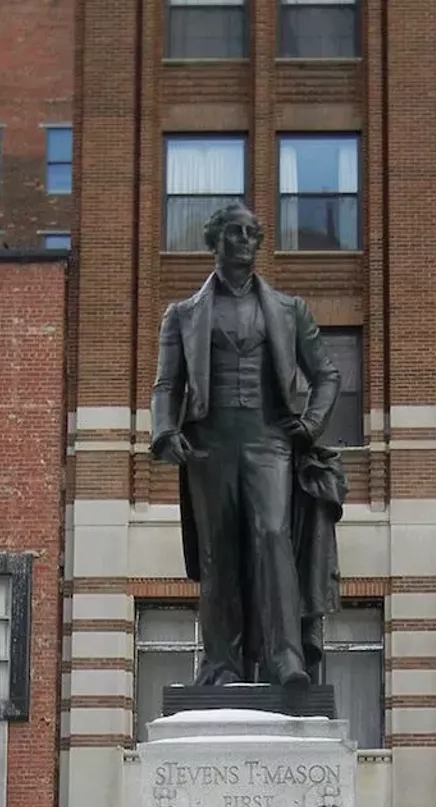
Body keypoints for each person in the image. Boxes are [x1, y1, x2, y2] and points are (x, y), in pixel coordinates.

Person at [150, 201, 342, 689]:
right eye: (234, 233)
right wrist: (165, 432)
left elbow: (326, 375)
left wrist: (312, 423)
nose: (245, 240)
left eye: (252, 232)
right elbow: (166, 385)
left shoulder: (288, 309)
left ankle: (285, 659)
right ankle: (221, 663)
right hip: (209, 446)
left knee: (273, 538)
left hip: (268, 442)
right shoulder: (183, 314)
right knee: (220, 554)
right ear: (215, 241)